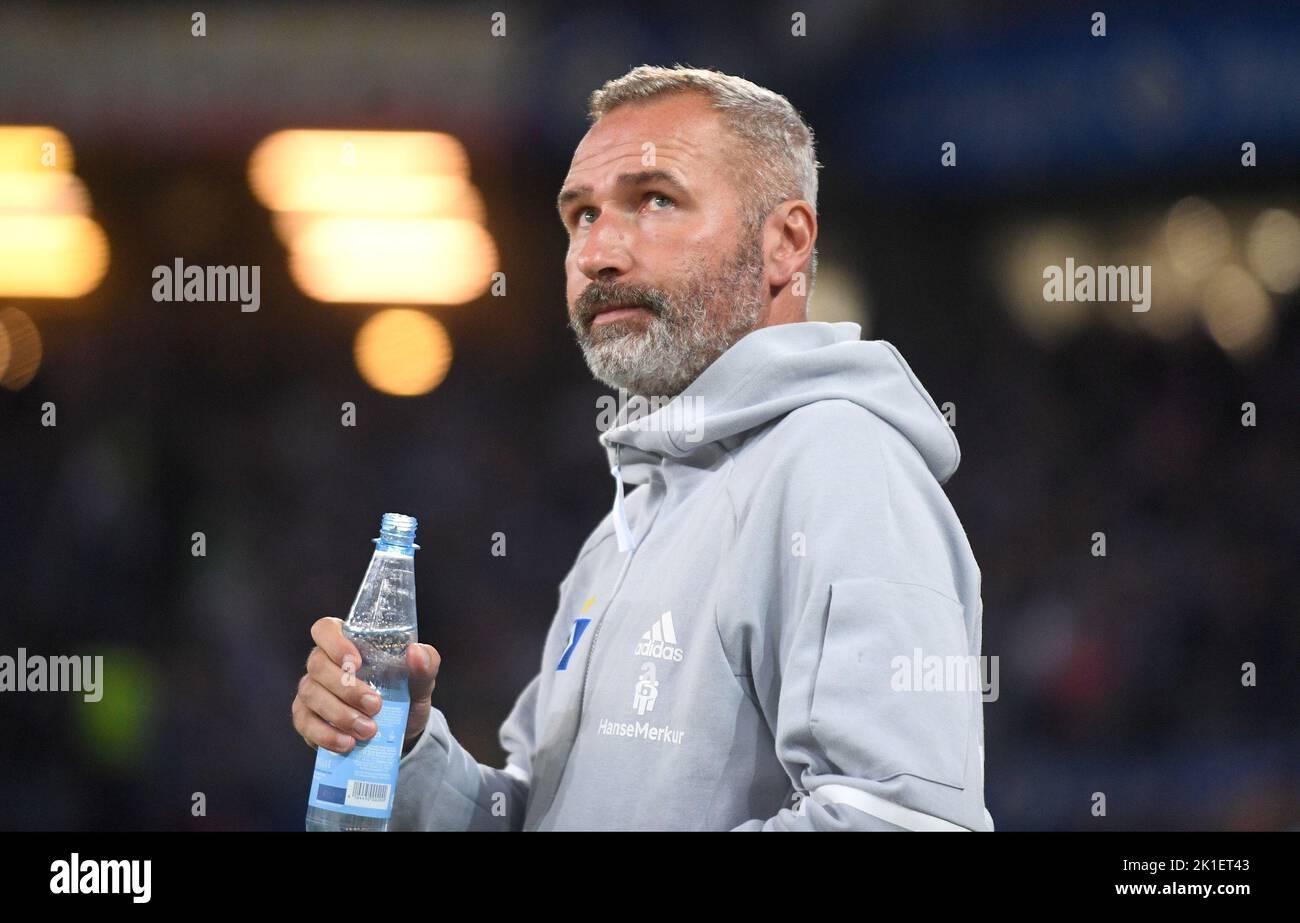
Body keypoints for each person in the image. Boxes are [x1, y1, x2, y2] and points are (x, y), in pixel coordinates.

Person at [292, 64, 993, 831]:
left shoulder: (841, 465)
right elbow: (543, 813)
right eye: (582, 216)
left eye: (655, 201)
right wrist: (407, 747)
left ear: (785, 242)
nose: (598, 252)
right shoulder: (633, 516)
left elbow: (897, 821)